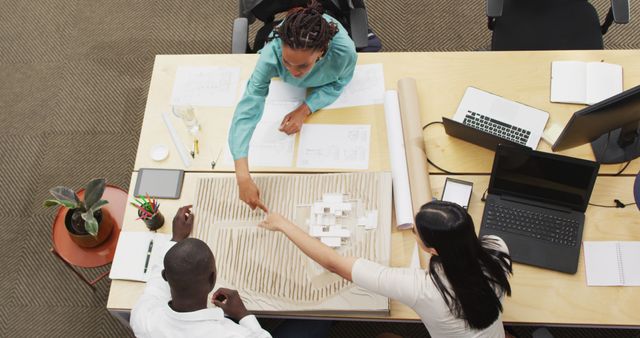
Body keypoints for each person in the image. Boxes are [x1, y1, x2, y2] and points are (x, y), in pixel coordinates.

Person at [260, 201, 513, 338]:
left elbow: (333, 263)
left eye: (415, 231)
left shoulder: (422, 289)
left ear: (433, 250)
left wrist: (282, 224)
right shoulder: (497, 248)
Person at [229, 0, 358, 211]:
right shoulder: (272, 52)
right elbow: (249, 105)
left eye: (303, 65)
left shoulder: (344, 52)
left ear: (322, 51)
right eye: (286, 61)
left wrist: (305, 108)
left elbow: (338, 83)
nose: (292, 71)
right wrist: (242, 176)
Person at [130, 205, 271, 338]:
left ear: (165, 276)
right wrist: (242, 314)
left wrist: (176, 239)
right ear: (213, 278)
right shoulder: (230, 334)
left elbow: (155, 287)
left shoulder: (142, 316)